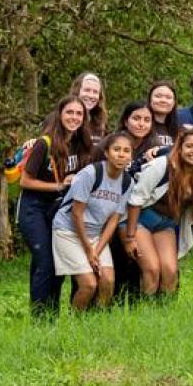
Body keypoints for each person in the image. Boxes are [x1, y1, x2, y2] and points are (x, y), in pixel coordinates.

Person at [17, 95, 93, 316]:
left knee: (59, 263)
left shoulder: (81, 144)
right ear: (60, 114)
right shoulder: (45, 143)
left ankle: (53, 315)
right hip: (34, 208)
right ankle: (39, 317)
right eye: (69, 112)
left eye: (79, 113)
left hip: (59, 210)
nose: (74, 117)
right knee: (44, 260)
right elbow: (25, 181)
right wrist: (59, 186)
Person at [122, 128, 193, 300]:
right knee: (152, 269)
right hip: (139, 219)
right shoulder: (162, 165)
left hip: (165, 223)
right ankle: (146, 316)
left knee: (170, 271)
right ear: (180, 148)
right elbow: (135, 201)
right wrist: (130, 237)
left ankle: (163, 315)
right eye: (190, 146)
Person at [51, 132, 133, 310]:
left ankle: (97, 321)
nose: (121, 154)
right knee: (89, 284)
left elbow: (114, 220)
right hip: (68, 231)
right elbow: (76, 214)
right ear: (106, 152)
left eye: (126, 151)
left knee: (108, 281)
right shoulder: (91, 173)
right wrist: (89, 250)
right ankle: (75, 325)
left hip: (96, 234)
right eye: (116, 149)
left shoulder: (127, 182)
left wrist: (98, 249)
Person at [69, 72, 108, 143]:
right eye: (87, 90)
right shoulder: (64, 119)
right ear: (77, 91)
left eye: (95, 92)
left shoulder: (100, 123)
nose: (91, 96)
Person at [146, 80, 179, 148]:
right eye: (158, 96)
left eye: (168, 97)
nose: (163, 100)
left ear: (173, 103)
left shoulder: (179, 130)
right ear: (150, 100)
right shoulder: (141, 126)